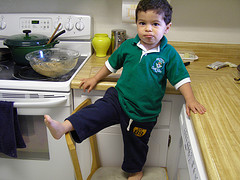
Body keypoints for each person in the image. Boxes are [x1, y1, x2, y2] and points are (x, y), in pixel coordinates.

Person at [44, 0, 206, 179]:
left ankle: (135, 171)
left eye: (155, 24)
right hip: (119, 99)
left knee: (136, 144)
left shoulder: (169, 54)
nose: (148, 29)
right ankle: (64, 126)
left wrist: (190, 99)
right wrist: (95, 78)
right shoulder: (129, 46)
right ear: (136, 24)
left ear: (167, 27)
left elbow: (181, 79)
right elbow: (110, 64)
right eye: (142, 23)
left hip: (144, 113)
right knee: (96, 111)